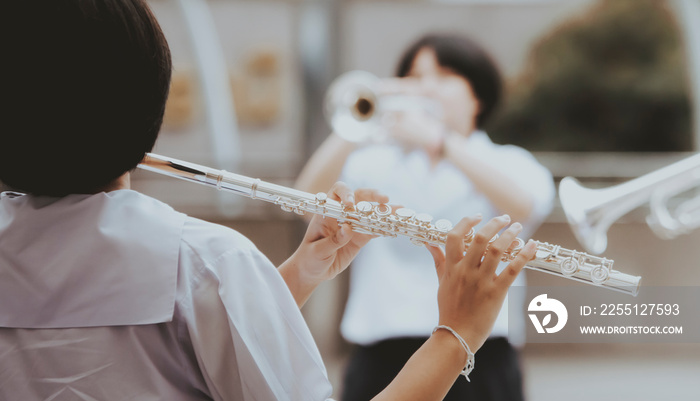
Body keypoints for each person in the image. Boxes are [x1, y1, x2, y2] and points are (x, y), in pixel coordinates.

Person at [0, 2, 538, 400]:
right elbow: (201, 298)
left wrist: (297, 275)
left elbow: (182, 328)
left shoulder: (211, 266)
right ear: (146, 95)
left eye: (444, 77)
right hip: (393, 347)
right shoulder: (210, 259)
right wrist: (457, 333)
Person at [296, 33, 555, 400]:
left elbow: (526, 206)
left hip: (482, 352)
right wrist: (361, 121)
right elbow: (308, 201)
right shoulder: (373, 161)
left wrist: (441, 143)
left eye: (445, 75)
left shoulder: (508, 160)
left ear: (477, 95)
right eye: (415, 77)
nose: (426, 88)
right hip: (381, 351)